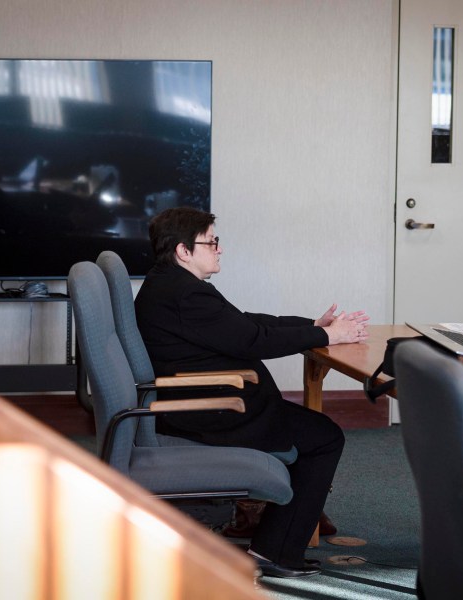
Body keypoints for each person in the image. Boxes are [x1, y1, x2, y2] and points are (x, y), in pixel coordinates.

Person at [134, 207, 369, 578]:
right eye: (211, 241)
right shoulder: (185, 294)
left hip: (204, 403)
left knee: (314, 432)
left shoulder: (173, 285)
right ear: (183, 250)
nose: (219, 249)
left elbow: (243, 322)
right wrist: (328, 336)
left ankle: (269, 534)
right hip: (210, 411)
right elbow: (252, 339)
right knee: (324, 437)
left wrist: (312, 325)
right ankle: (275, 551)